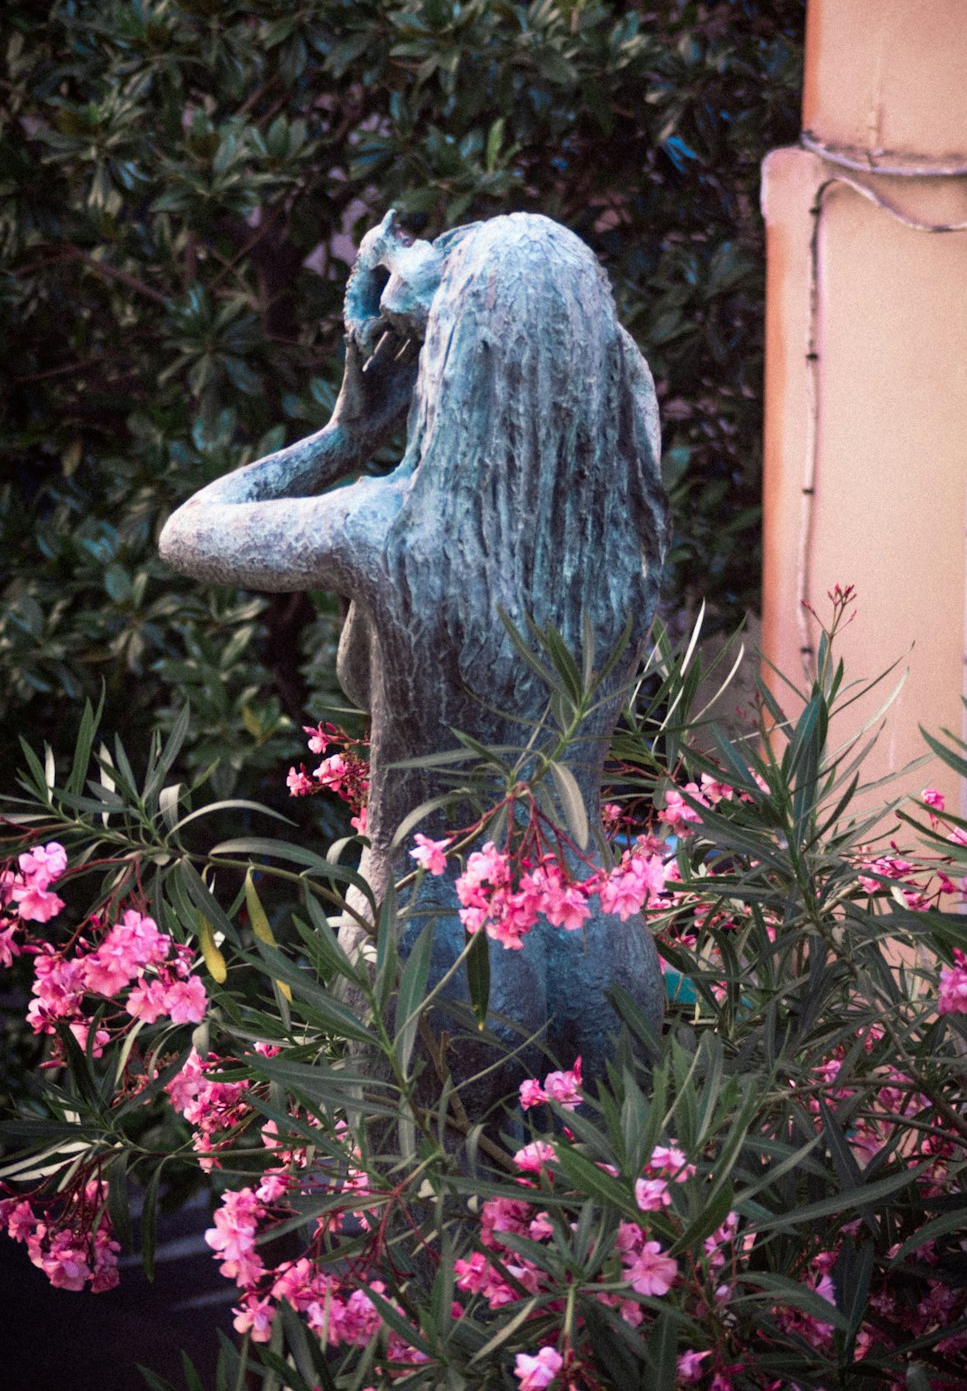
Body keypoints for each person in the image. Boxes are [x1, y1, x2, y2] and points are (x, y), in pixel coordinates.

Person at [160, 210, 668, 1106]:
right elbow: (602, 360)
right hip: (597, 929)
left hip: (433, 931)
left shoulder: (385, 530)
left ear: (453, 361)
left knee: (410, 1224)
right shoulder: (626, 527)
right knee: (602, 1221)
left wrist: (345, 436)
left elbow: (187, 534)